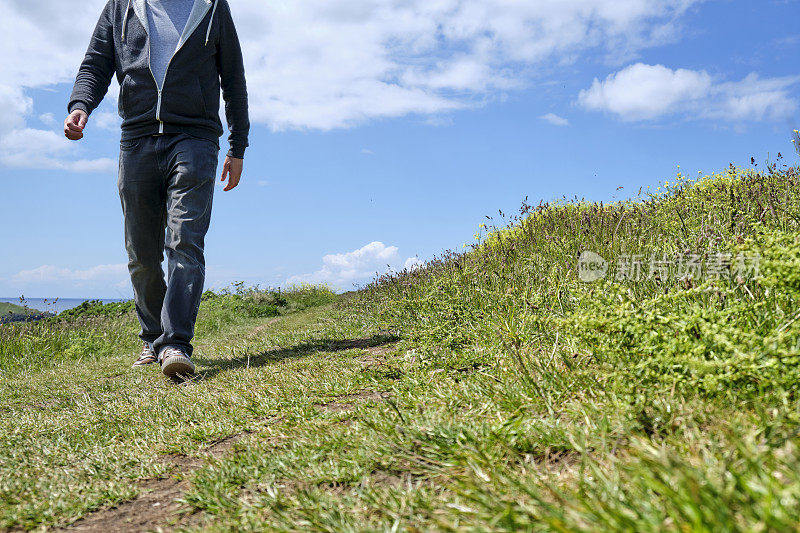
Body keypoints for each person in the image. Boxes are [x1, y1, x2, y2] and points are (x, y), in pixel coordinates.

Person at [64, 0, 250, 377]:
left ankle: (176, 343)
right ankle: (153, 338)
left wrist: (238, 146)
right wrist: (81, 104)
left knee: (185, 239)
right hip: (136, 139)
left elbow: (233, 78)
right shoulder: (122, 6)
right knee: (141, 251)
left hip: (195, 138)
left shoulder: (211, 6)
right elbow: (96, 63)